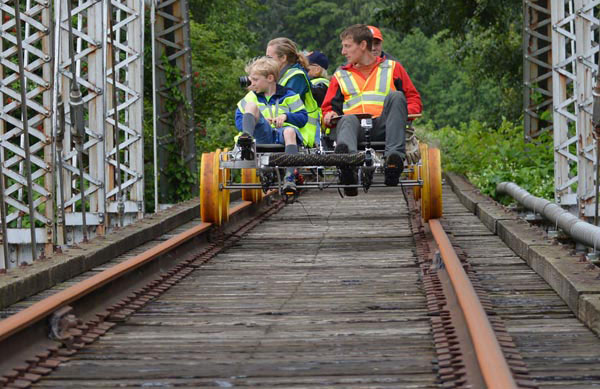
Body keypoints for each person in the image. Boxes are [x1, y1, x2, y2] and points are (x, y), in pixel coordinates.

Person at [322, 24, 422, 196]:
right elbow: (328, 107)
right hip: (355, 129)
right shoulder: (340, 75)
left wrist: (402, 114)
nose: (343, 52)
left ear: (362, 46)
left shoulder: (393, 68)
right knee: (346, 118)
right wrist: (328, 115)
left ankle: (393, 162)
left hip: (385, 127)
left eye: (347, 46)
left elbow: (413, 99)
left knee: (397, 96)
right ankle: (348, 168)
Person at [235, 56, 308, 193]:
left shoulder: (289, 95)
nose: (252, 83)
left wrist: (286, 116)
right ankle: (247, 140)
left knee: (290, 132)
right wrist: (257, 120)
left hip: (283, 134)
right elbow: (239, 121)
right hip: (263, 134)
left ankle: (289, 177)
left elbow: (303, 117)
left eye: (255, 80)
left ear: (270, 78)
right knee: (251, 106)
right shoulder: (250, 97)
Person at [266, 38, 320, 147]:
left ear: (283, 58)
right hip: (284, 131)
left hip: (301, 134)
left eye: (269, 58)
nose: (266, 62)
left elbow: (285, 106)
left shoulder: (296, 76)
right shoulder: (280, 77)